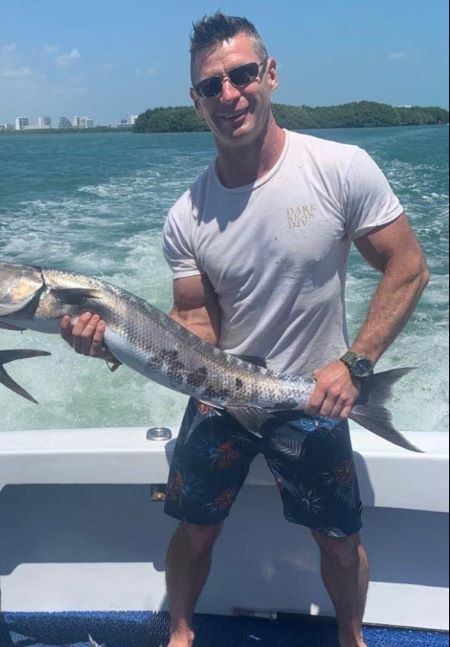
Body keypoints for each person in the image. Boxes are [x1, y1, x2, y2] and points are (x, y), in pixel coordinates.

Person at [60, 12, 429, 647]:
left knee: (339, 539)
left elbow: (408, 267)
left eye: (241, 75)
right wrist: (110, 342)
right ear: (196, 100)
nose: (229, 95)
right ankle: (181, 634)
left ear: (270, 75)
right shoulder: (186, 216)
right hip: (219, 393)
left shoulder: (340, 168)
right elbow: (195, 322)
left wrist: (357, 365)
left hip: (318, 393)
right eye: (211, 85)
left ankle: (351, 637)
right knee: (193, 530)